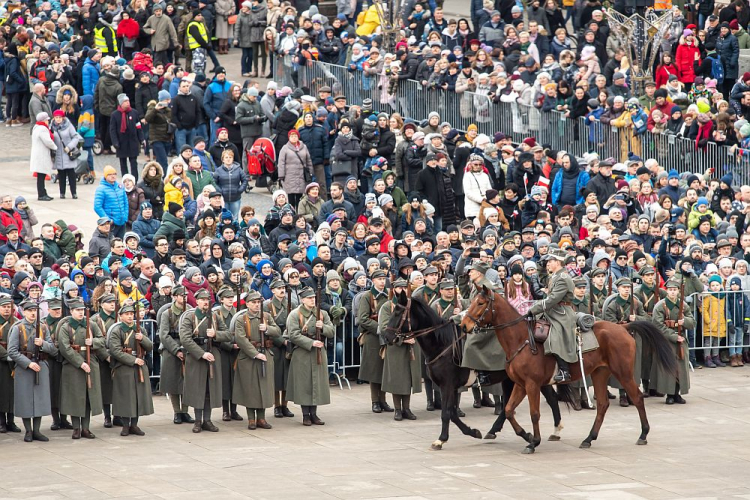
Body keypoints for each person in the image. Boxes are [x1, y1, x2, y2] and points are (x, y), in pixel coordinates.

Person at [179, 288, 232, 432]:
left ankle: (207, 420)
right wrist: (201, 354)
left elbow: (228, 334)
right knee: (198, 389)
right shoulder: (190, 317)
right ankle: (197, 421)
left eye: (207, 300)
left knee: (210, 389)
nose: (205, 302)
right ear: (196, 301)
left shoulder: (215, 316)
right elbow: (185, 339)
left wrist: (216, 334)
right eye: (202, 300)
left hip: (213, 353)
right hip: (197, 356)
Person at [7, 298, 58, 442]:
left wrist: (43, 344)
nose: (32, 314)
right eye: (29, 311)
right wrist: (28, 364)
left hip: (41, 365)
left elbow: (53, 349)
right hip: (25, 368)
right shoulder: (18, 328)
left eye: (35, 311)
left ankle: (37, 430)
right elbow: (12, 351)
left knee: (40, 399)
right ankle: (28, 430)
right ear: (23, 312)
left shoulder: (42, 328)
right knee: (25, 399)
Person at [285, 286, 335, 426]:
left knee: (316, 384)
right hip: (302, 352)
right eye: (309, 298)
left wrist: (323, 327)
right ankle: (305, 415)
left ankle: (314, 414)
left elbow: (331, 331)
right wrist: (311, 343)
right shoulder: (295, 314)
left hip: (318, 352)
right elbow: (293, 335)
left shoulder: (322, 313)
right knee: (303, 385)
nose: (312, 300)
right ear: (302, 300)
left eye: (313, 298)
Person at [57, 298, 105, 439]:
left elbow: (102, 339)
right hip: (73, 366)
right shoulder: (66, 327)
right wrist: (80, 363)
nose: (80, 313)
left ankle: (86, 428)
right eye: (77, 310)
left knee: (89, 397)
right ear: (71, 311)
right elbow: (65, 348)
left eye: (82, 310)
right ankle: (76, 428)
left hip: (91, 362)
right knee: (75, 397)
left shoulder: (91, 324)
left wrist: (93, 342)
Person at [233, 289, 281, 429]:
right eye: (253, 303)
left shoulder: (266, 316)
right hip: (249, 357)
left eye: (258, 302)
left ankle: (261, 418)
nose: (256, 305)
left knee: (264, 388)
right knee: (250, 389)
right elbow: (240, 339)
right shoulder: (242, 319)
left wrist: (267, 329)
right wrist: (254, 353)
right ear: (247, 304)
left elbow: (277, 331)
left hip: (265, 353)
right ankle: (251, 419)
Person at [527, 247, 577, 382]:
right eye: (547, 261)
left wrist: (534, 308)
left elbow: (553, 299)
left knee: (554, 336)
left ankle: (564, 370)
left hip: (561, 313)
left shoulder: (563, 277)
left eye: (550, 261)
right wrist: (541, 266)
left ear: (558, 262)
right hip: (553, 311)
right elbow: (541, 277)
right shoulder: (555, 276)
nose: (548, 263)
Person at [109, 300, 154, 436]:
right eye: (127, 314)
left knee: (138, 397)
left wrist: (142, 339)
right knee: (125, 397)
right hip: (124, 366)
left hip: (139, 365)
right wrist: (134, 360)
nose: (130, 317)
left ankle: (134, 425)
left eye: (131, 314)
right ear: (121, 316)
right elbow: (115, 350)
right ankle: (125, 425)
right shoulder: (117, 330)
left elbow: (150, 346)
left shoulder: (140, 329)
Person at [380, 278, 422, 420]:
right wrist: (402, 339)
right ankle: (397, 409)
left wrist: (414, 336)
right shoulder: (387, 306)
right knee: (398, 379)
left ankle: (407, 408)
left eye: (405, 287)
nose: (402, 290)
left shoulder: (413, 305)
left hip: (411, 345)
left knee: (409, 378)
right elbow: (385, 328)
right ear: (394, 290)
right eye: (399, 288)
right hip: (395, 346)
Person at [651, 278, 693, 404]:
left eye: (675, 290)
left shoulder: (683, 305)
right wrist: (674, 336)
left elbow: (692, 322)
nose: (673, 292)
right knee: (668, 368)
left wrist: (684, 321)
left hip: (681, 341)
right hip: (667, 340)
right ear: (667, 291)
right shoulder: (660, 306)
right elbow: (658, 325)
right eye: (670, 290)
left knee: (680, 368)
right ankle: (669, 394)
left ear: (678, 291)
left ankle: (677, 393)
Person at [356, 269, 392, 413]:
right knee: (374, 370)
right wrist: (380, 328)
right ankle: (375, 401)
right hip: (373, 336)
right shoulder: (367, 296)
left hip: (387, 335)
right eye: (379, 279)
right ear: (373, 280)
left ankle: (383, 400)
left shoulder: (389, 294)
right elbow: (363, 319)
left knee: (384, 369)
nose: (382, 281)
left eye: (384, 278)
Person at [157, 285, 194, 424]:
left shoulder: (191, 310)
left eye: (185, 295)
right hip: (171, 348)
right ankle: (177, 411)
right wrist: (176, 350)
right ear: (175, 296)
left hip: (188, 346)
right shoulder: (168, 313)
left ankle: (185, 411)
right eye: (181, 295)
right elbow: (164, 335)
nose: (184, 298)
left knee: (186, 381)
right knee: (173, 382)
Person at [110, 94, 144, 182]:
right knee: (123, 162)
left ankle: (134, 180)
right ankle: (126, 180)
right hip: (121, 142)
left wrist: (141, 139)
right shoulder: (115, 115)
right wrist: (115, 142)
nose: (127, 103)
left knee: (133, 162)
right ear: (121, 103)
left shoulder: (134, 112)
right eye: (125, 101)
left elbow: (138, 127)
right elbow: (112, 130)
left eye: (128, 101)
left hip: (133, 141)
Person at [0, 294, 21, 433]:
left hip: (14, 360)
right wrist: (6, 355)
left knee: (13, 392)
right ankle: (1, 422)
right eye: (4, 307)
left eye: (9, 307)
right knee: (2, 392)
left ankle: (11, 421)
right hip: (1, 361)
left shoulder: (17, 322)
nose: (7, 309)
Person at [51, 109, 82, 200]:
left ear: (63, 118)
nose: (58, 119)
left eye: (59, 117)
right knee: (61, 175)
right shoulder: (52, 127)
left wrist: (69, 146)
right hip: (58, 154)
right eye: (56, 117)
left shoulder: (68, 126)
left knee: (71, 174)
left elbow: (76, 137)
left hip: (68, 153)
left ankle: (74, 192)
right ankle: (62, 193)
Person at [278, 129, 314, 208]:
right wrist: (281, 175)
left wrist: (311, 172)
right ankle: (291, 212)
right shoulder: (285, 148)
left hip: (301, 175)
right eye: (292, 136)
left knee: (300, 196)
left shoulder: (303, 147)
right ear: (289, 137)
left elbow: (308, 161)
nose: (294, 138)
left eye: (295, 136)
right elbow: (281, 162)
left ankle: (299, 213)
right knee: (290, 196)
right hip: (289, 176)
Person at [94, 166, 129, 239]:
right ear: (105, 176)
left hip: (122, 222)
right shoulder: (101, 189)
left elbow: (125, 203)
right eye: (110, 174)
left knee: (120, 244)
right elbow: (97, 207)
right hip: (111, 224)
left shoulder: (120, 187)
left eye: (114, 174)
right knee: (110, 243)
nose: (113, 176)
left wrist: (125, 216)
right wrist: (108, 220)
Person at [213, 150, 249, 219]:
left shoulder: (238, 169)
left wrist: (240, 190)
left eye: (230, 157)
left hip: (235, 198)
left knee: (235, 217)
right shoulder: (218, 170)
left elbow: (245, 180)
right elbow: (214, 182)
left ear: (233, 159)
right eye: (226, 157)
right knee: (224, 217)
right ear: (223, 159)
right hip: (223, 199)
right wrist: (220, 191)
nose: (228, 159)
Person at [30, 112, 57, 202]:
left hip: (38, 155)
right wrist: (55, 147)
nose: (48, 121)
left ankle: (43, 193)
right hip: (41, 155)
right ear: (44, 120)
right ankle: (41, 194)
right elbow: (48, 141)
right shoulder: (42, 129)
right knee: (41, 176)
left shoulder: (36, 127)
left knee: (41, 176)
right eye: (47, 120)